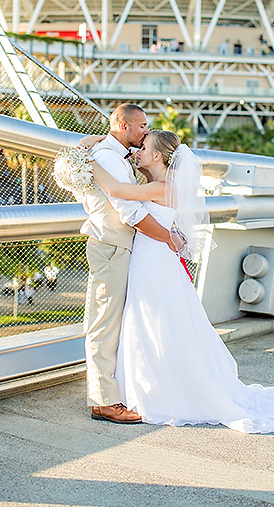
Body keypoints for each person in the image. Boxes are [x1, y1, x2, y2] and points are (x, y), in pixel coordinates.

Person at [81, 130, 274, 433]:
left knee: (153, 322)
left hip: (153, 261)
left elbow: (116, 189)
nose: (137, 151)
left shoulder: (163, 186)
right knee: (148, 322)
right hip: (152, 259)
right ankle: (142, 387)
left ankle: (158, 390)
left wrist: (85, 160)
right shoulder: (160, 183)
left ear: (157, 156)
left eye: (143, 148)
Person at [76, 103, 181, 425]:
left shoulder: (112, 154)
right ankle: (104, 401)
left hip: (122, 248)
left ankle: (117, 391)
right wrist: (168, 238)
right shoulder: (108, 158)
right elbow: (129, 211)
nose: (146, 132)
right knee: (104, 324)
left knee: (118, 323)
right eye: (142, 127)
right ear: (123, 126)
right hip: (112, 246)